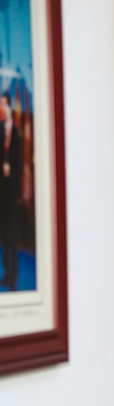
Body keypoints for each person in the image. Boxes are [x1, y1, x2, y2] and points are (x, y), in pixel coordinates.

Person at [0, 93, 24, 291]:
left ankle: (13, 277)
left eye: (2, 104)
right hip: (2, 190)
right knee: (4, 233)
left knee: (13, 234)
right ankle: (7, 274)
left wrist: (20, 191)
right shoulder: (0, 129)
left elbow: (19, 162)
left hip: (13, 189)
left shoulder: (16, 131)